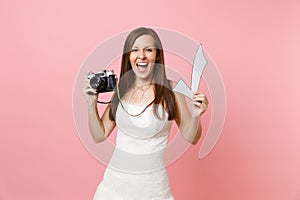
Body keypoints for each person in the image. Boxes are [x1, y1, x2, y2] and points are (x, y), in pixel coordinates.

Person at [83, 27, 208, 200]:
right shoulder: (121, 88)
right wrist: (91, 105)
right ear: (129, 56)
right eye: (134, 50)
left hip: (152, 190)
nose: (141, 55)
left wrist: (195, 115)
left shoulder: (172, 89)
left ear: (157, 55)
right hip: (113, 188)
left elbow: (191, 137)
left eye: (148, 50)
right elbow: (99, 135)